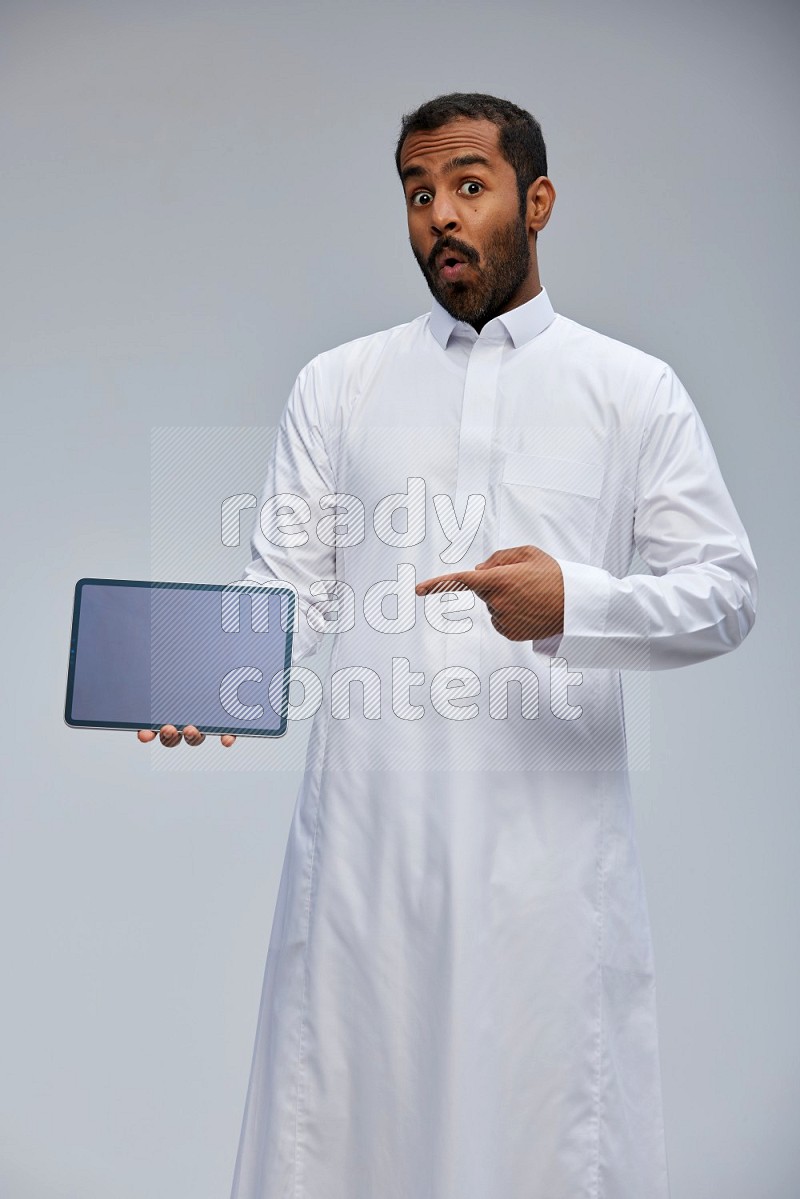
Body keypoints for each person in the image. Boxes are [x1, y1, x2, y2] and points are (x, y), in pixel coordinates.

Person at [139, 93, 757, 1198]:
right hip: (365, 866)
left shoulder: (629, 391)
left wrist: (572, 599)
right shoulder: (339, 383)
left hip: (546, 868)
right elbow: (284, 593)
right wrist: (205, 682)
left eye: (467, 185)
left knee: (540, 1139)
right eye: (417, 193)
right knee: (343, 1136)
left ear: (537, 201)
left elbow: (722, 594)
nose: (438, 216)